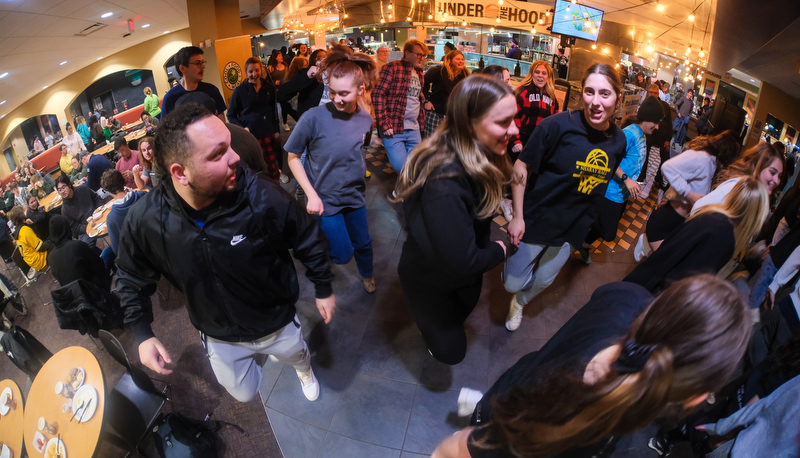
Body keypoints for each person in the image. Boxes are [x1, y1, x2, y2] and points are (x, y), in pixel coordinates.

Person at [115, 103, 335, 403]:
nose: (235, 157)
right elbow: (130, 275)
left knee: (296, 356)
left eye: (229, 146)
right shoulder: (147, 219)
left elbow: (307, 235)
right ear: (180, 173)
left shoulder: (261, 194)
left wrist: (322, 286)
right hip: (219, 334)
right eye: (218, 153)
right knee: (244, 394)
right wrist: (142, 333)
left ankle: (303, 369)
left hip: (274, 321)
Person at [432, 274, 751, 458]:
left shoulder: (628, 295)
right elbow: (459, 450)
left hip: (515, 389)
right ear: (696, 397)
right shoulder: (588, 433)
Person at [394, 75, 515, 365]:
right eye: (504, 122)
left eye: (515, 118)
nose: (515, 128)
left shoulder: (477, 153)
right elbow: (464, 260)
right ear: (470, 125)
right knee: (451, 352)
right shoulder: (445, 182)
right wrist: (502, 248)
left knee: (461, 311)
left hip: (461, 273)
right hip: (429, 279)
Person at [503, 63, 627, 332]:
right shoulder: (556, 126)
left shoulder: (619, 140)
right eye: (589, 92)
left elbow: (607, 166)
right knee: (510, 283)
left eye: (604, 94)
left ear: (618, 98)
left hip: (572, 227)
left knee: (544, 281)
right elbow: (521, 166)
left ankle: (520, 303)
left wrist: (623, 179)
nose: (595, 102)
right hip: (538, 218)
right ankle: (516, 287)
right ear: (581, 93)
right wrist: (518, 217)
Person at [285, 45, 377, 293]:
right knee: (342, 254)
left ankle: (367, 274)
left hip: (354, 195)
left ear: (360, 90)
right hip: (325, 200)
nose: (336, 99)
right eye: (332, 92)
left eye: (344, 93)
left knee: (363, 243)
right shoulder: (312, 118)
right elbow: (293, 157)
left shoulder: (366, 119)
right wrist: (311, 194)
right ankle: (316, 236)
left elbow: (358, 149)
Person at [625, 177, 769, 293]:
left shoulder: (713, 215)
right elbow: (686, 279)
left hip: (647, 279)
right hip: (654, 292)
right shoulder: (724, 235)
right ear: (754, 215)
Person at [634, 130, 741, 259]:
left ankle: (646, 244)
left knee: (662, 262)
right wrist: (689, 194)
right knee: (661, 262)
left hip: (678, 224)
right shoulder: (703, 158)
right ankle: (645, 244)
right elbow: (667, 167)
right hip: (665, 221)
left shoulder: (712, 164)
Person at [581, 96, 664, 261]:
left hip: (622, 194)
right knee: (608, 233)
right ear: (647, 118)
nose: (657, 126)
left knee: (606, 226)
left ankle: (584, 244)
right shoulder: (630, 134)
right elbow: (609, 159)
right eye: (655, 121)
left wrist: (633, 182)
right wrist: (626, 179)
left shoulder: (641, 134)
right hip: (611, 192)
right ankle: (581, 219)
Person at [372, 39, 428, 172]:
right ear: (407, 53)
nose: (421, 58)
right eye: (418, 54)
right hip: (394, 128)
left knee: (415, 167)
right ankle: (400, 191)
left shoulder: (419, 73)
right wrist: (384, 123)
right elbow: (377, 94)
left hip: (414, 128)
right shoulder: (392, 67)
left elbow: (416, 98)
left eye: (424, 55)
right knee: (401, 167)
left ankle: (400, 192)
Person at [227, 56, 282, 181]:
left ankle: (275, 192)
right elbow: (230, 115)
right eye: (251, 71)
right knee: (257, 170)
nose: (254, 74)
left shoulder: (269, 86)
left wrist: (276, 130)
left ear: (261, 70)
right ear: (246, 73)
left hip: (268, 134)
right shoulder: (239, 91)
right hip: (251, 136)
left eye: (257, 70)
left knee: (273, 169)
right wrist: (242, 129)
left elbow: (273, 111)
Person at [509, 60, 559, 160]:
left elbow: (554, 124)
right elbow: (512, 117)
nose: (540, 75)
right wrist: (515, 140)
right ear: (532, 74)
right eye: (537, 72)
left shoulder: (553, 98)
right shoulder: (522, 92)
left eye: (544, 73)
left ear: (548, 77)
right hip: (521, 141)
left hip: (541, 143)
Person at [160, 46, 227, 121]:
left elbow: (222, 120)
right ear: (182, 68)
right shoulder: (170, 98)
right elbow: (165, 129)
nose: (203, 67)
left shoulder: (212, 90)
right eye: (198, 63)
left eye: (202, 62)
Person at [47, 215, 109, 289]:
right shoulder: (77, 245)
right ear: (66, 227)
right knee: (109, 251)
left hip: (75, 296)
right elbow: (100, 267)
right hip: (95, 290)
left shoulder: (50, 258)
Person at [422, 50, 470, 138]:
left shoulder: (465, 74)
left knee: (450, 143)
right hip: (436, 113)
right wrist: (426, 100)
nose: (461, 61)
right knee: (433, 142)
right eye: (458, 59)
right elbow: (423, 83)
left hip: (454, 115)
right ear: (450, 60)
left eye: (462, 59)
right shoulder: (439, 71)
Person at [101, 169, 147, 255]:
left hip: (138, 257)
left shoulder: (111, 218)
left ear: (108, 191)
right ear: (123, 181)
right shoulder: (142, 195)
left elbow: (117, 249)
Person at [55, 174, 103, 245]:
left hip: (99, 216)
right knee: (86, 246)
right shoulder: (64, 210)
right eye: (59, 190)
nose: (62, 191)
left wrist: (100, 211)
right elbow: (75, 228)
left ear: (69, 185)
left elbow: (97, 198)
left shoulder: (82, 189)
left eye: (63, 187)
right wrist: (89, 227)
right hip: (85, 229)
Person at [8, 206, 49, 279]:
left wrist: (32, 225)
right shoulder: (25, 230)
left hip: (31, 261)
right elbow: (40, 247)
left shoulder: (18, 230)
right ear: (21, 216)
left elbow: (37, 238)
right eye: (23, 211)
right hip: (39, 260)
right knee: (57, 245)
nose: (25, 212)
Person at [267, 50, 297, 131]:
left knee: (285, 105)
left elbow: (288, 76)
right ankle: (287, 121)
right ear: (275, 57)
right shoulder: (271, 67)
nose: (281, 57)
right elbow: (267, 80)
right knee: (285, 105)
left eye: (281, 56)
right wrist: (274, 82)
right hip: (276, 90)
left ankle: (285, 122)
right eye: (279, 56)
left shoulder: (285, 66)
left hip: (285, 88)